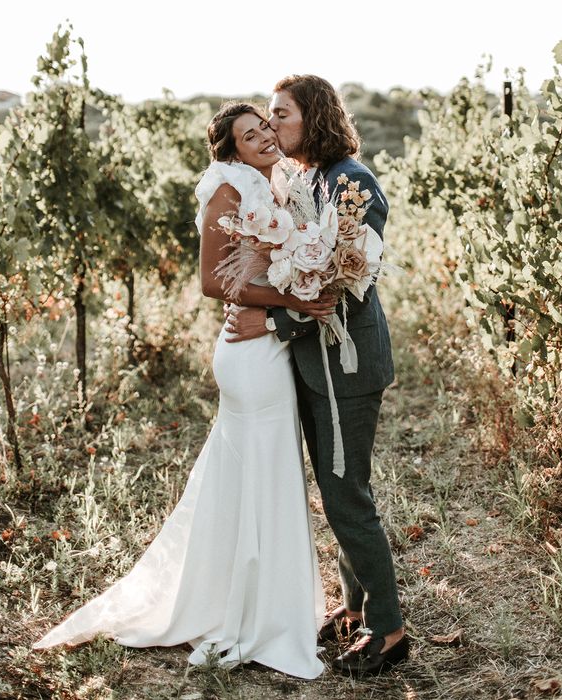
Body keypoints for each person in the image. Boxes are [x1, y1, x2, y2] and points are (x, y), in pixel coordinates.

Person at [32, 102, 335, 680]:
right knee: (259, 468)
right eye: (250, 135)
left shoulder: (282, 184)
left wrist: (302, 287)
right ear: (231, 149)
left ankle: (268, 601)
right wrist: (295, 302)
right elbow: (212, 280)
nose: (265, 137)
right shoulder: (227, 188)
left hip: (272, 343)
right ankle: (249, 612)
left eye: (266, 128)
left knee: (265, 471)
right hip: (248, 355)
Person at [225, 75, 408, 676]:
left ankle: (389, 630)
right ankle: (355, 610)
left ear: (315, 117)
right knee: (339, 491)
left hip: (346, 366)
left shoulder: (355, 184)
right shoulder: (306, 180)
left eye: (282, 114)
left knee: (346, 495)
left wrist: (275, 325)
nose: (272, 125)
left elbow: (349, 288)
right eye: (269, 115)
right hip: (315, 363)